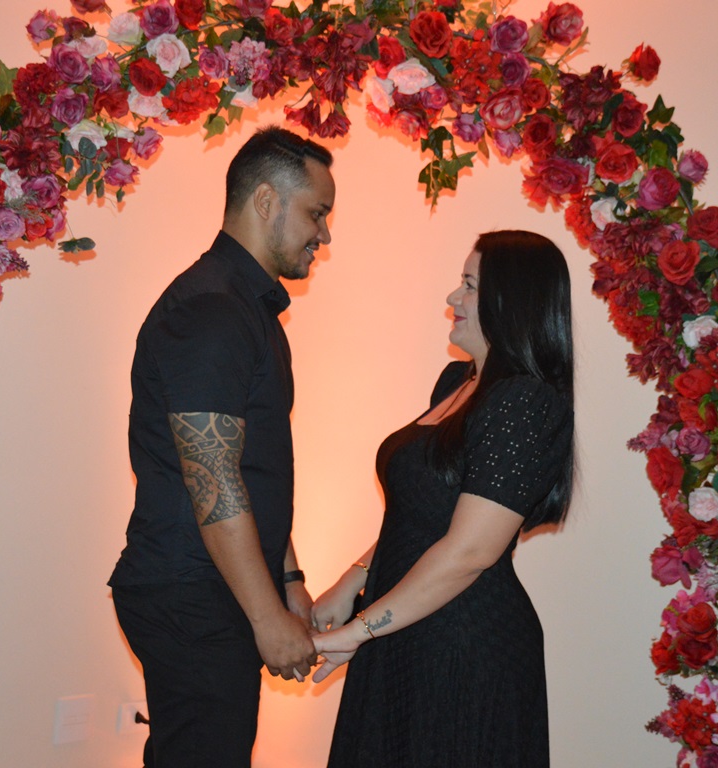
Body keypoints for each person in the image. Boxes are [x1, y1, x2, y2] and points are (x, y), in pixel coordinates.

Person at [108, 126, 336, 768]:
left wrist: (287, 580)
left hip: (211, 590)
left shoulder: (244, 307)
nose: (323, 234)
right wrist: (266, 617)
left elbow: (251, 467)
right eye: (316, 213)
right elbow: (212, 475)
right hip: (195, 594)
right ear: (266, 201)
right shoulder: (213, 308)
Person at [311, 230, 575, 767]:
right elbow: (424, 512)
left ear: (511, 300)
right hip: (406, 621)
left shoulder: (523, 400)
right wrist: (354, 580)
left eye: (470, 285)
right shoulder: (457, 382)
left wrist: (361, 629)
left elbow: (471, 551)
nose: (454, 297)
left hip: (463, 644)